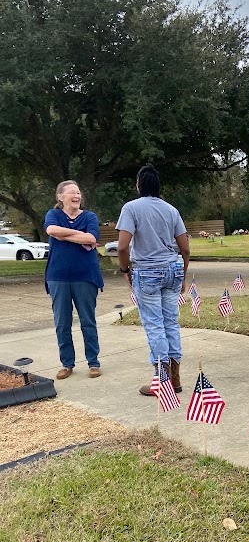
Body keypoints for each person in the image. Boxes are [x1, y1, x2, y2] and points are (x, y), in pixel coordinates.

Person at [116, 164, 190, 395]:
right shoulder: (171, 210)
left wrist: (125, 270)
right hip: (173, 269)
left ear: (139, 184)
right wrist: (183, 274)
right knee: (171, 323)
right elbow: (185, 248)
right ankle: (175, 378)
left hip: (147, 271)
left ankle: (162, 381)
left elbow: (122, 247)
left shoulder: (131, 208)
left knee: (154, 325)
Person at [44, 181, 104, 379]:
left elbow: (92, 239)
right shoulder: (53, 215)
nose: (77, 195)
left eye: (78, 192)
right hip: (58, 277)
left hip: (85, 276)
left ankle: (93, 362)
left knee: (88, 321)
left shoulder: (89, 216)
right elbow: (51, 231)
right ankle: (67, 363)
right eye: (72, 192)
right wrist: (81, 235)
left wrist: (67, 235)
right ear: (60, 197)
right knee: (62, 322)